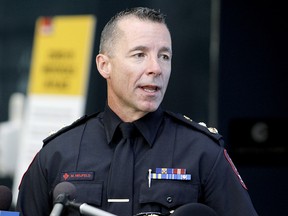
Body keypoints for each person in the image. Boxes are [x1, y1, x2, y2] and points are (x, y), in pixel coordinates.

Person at [16, 7, 258, 216]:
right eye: (139, 55)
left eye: (164, 56)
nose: (156, 68)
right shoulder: (57, 154)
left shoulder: (202, 152)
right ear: (104, 65)